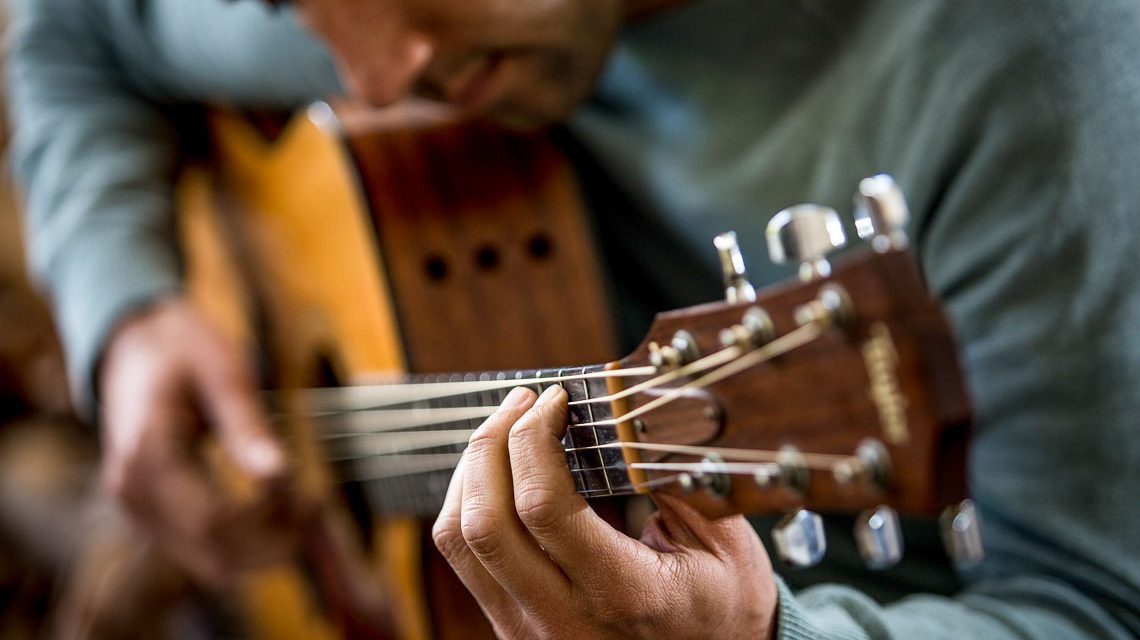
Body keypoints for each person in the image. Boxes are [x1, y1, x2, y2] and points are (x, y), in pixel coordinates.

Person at [7, 0, 1140, 637]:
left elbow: (1095, 604)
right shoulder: (385, 21)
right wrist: (127, 313)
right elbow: (73, 32)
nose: (376, 76)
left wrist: (765, 638)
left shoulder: (1035, 72)